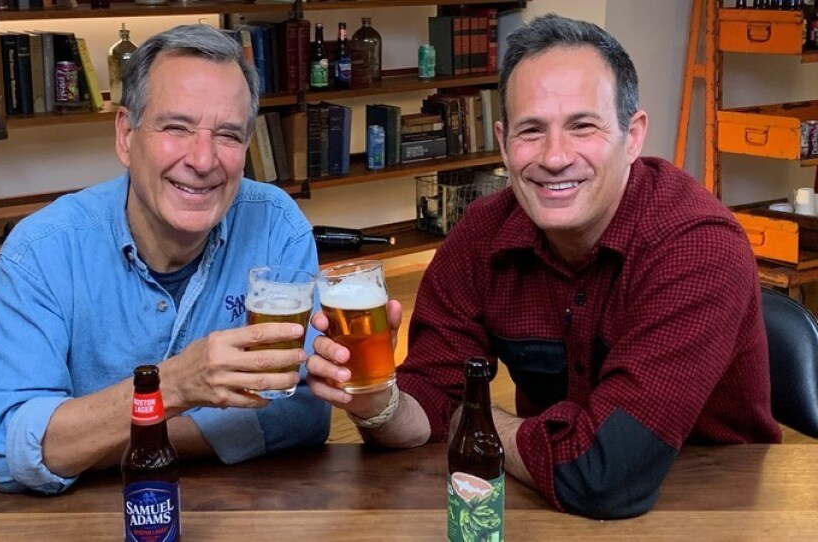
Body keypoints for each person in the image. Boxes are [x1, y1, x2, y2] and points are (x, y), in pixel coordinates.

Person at [306, 14, 781, 519]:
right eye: (532, 131)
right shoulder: (483, 233)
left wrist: (479, 421)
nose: (555, 157)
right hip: (545, 501)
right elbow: (430, 402)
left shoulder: (698, 246)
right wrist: (379, 405)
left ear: (634, 135)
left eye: (583, 126)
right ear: (504, 141)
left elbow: (603, 476)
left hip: (712, 510)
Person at [0, 24, 330, 494]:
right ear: (125, 134)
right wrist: (176, 385)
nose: (203, 161)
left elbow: (305, 411)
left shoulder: (277, 225)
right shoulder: (40, 250)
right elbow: (8, 447)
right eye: (176, 127)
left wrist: (120, 441)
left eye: (227, 135)